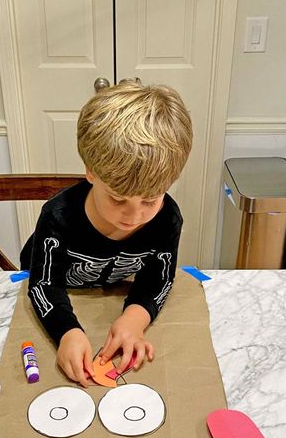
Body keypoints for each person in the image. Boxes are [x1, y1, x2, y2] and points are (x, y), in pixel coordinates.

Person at [20, 81, 192, 387]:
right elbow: (44, 283)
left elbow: (159, 277)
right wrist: (66, 331)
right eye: (117, 198)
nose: (134, 215)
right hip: (59, 293)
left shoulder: (167, 219)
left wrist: (135, 318)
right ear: (90, 172)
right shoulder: (57, 216)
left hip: (109, 295)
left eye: (150, 200)